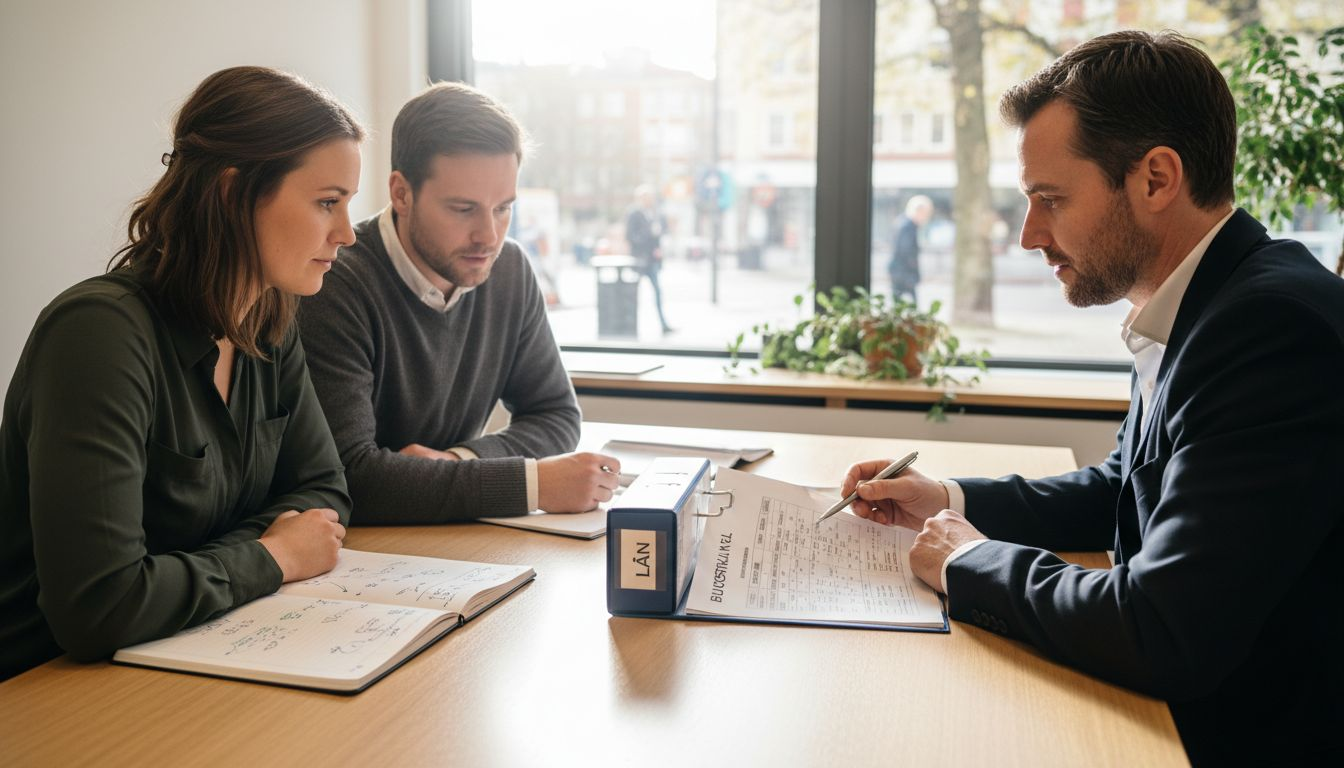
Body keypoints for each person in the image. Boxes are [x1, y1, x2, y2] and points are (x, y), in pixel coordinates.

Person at [843, 31, 1343, 764]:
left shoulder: (1272, 328)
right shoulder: (1206, 300)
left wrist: (968, 561)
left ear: (1155, 179)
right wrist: (945, 499)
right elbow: (1125, 487)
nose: (1028, 236)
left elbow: (1165, 630)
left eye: (1051, 200)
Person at [0, 66, 361, 680]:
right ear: (231, 193)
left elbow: (325, 493)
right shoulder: (98, 335)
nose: (347, 233)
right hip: (46, 685)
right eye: (327, 202)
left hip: (188, 648)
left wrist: (194, 572)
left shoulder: (270, 317)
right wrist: (270, 556)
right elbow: (100, 607)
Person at [298, 82, 618, 524]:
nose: (488, 236)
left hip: (451, 544)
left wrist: (460, 460)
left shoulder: (508, 270)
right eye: (464, 209)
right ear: (401, 194)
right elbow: (351, 478)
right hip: (364, 554)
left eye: (503, 208)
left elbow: (556, 414)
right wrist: (533, 484)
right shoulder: (335, 281)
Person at [625, 184, 673, 333]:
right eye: (646, 198)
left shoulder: (655, 214)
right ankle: (630, 324)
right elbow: (631, 237)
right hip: (639, 260)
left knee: (658, 292)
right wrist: (648, 233)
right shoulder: (634, 214)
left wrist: (658, 247)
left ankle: (663, 324)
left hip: (652, 260)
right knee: (634, 293)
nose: (649, 200)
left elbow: (659, 235)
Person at [888, 194, 932, 301]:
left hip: (900, 271)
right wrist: (911, 274)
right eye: (926, 213)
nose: (926, 217)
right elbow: (905, 251)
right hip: (903, 272)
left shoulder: (904, 223)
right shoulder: (907, 227)